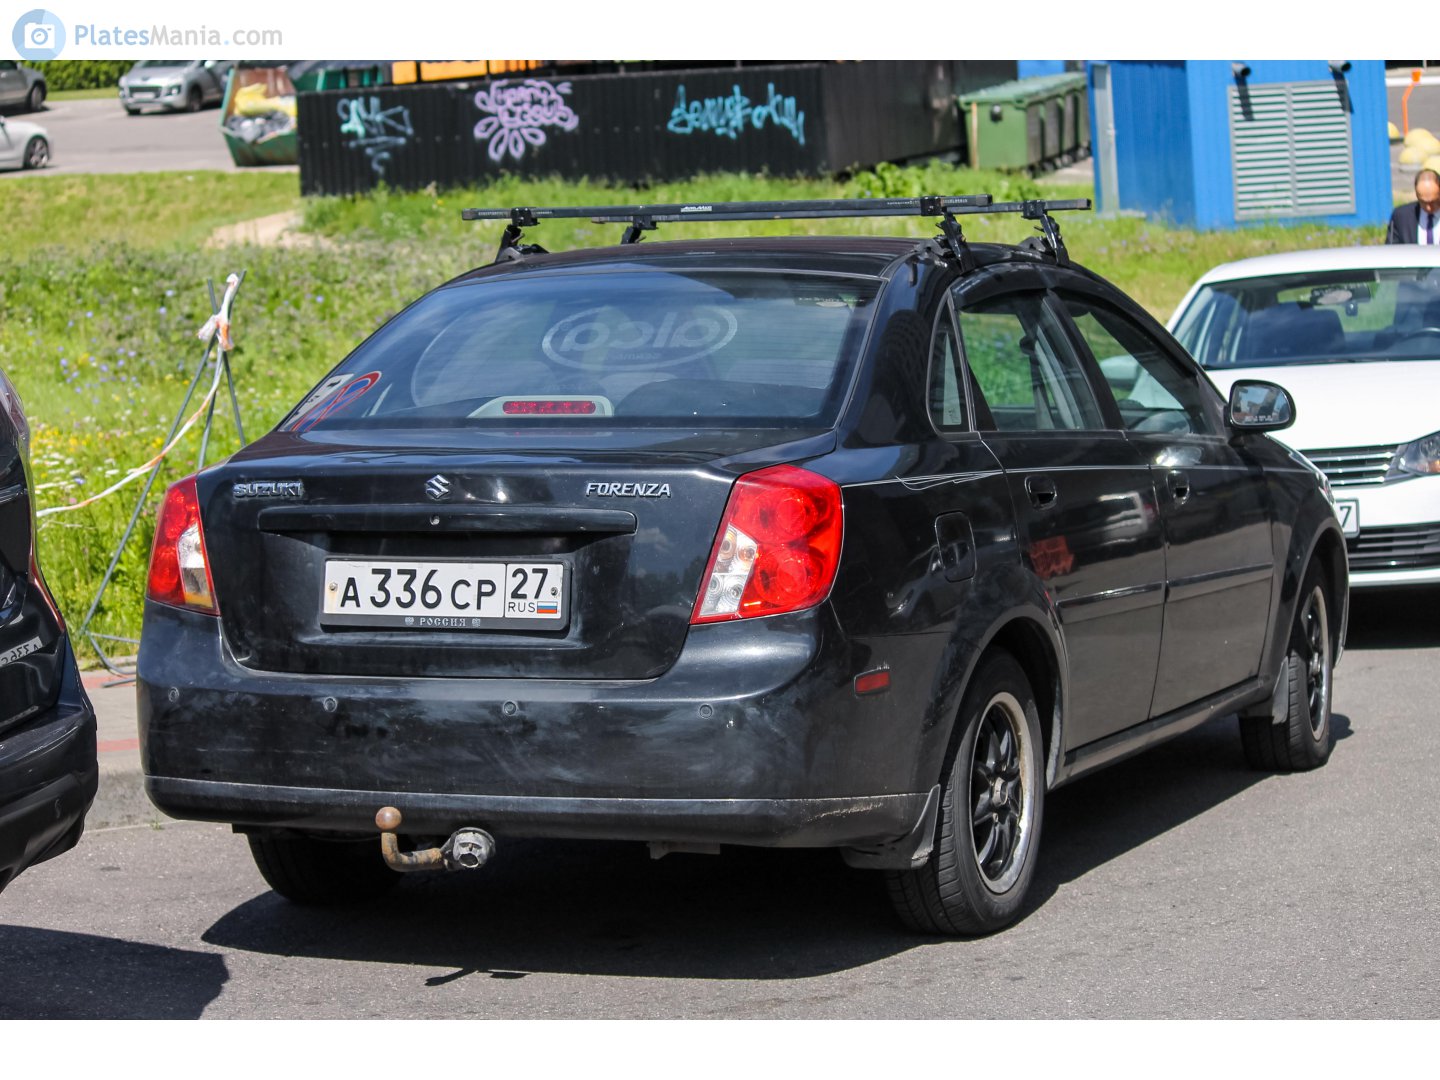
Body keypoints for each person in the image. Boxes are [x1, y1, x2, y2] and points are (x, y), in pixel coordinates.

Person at [1387, 169, 1440, 244]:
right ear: (1417, 194)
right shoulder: (1401, 217)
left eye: (1433, 202)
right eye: (1423, 202)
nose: (1428, 207)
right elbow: (1390, 251)